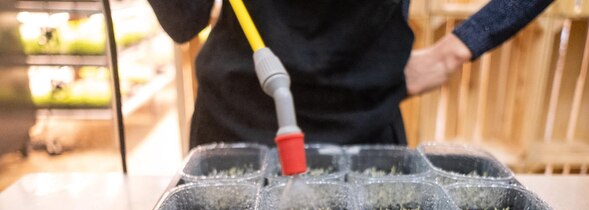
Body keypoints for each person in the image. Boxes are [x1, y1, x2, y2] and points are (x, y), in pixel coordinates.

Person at [147, 0, 554, 149]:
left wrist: (457, 47)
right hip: (235, 131)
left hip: (364, 131)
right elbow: (186, 18)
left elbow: (183, 16)